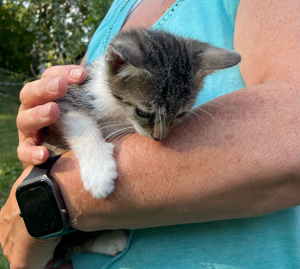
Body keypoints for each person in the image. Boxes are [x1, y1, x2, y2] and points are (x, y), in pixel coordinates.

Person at [0, 0, 299, 268]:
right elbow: (69, 115)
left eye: (178, 116)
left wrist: (46, 206)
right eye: (146, 115)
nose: (160, 134)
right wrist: (40, 127)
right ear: (118, 65)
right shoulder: (118, 14)